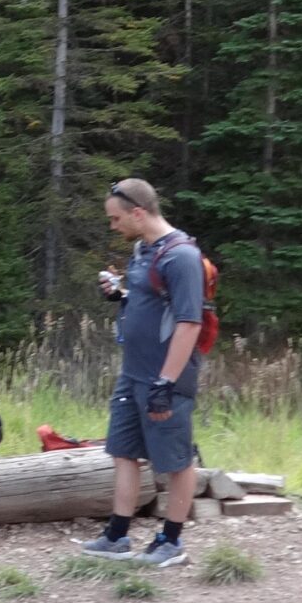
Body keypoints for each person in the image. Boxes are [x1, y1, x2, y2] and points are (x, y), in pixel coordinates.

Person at [80, 178, 207, 569]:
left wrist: (165, 384)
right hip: (132, 373)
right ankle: (117, 535)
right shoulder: (142, 250)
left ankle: (171, 541)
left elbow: (189, 323)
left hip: (165, 377)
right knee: (123, 453)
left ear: (138, 213)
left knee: (176, 460)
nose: (112, 226)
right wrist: (120, 295)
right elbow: (150, 301)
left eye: (116, 218)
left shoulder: (181, 257)